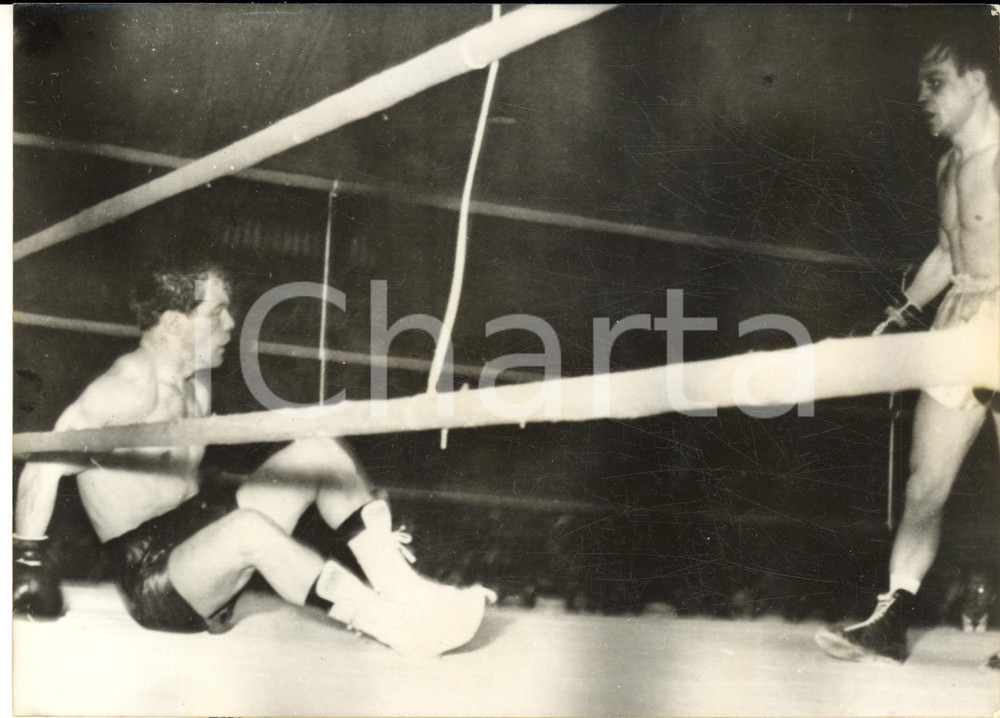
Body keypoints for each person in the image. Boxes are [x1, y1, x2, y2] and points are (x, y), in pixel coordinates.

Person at [13, 262, 495, 658]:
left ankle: (403, 589)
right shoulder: (123, 392)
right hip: (156, 576)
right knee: (247, 529)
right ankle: (393, 627)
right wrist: (26, 560)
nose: (231, 324)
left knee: (319, 450)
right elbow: (42, 463)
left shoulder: (195, 384)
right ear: (176, 323)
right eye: (218, 312)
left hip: (202, 529)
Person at [815, 23, 1000, 667]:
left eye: (937, 83)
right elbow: (950, 253)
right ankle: (889, 620)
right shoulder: (948, 163)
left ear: (978, 81)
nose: (923, 97)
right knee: (925, 481)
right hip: (960, 314)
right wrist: (899, 314)